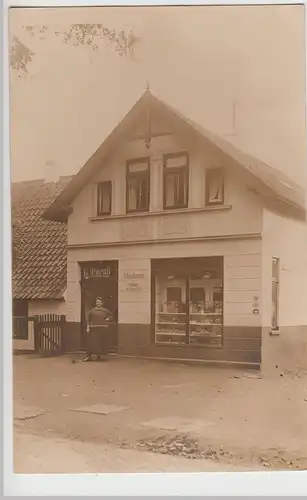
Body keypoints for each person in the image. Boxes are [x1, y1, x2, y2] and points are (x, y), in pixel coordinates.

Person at [84, 297, 112, 362]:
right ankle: (88, 356)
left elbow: (111, 316)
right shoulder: (92, 310)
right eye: (97, 302)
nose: (98, 303)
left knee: (101, 343)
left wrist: (108, 318)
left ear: (102, 303)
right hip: (94, 328)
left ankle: (98, 356)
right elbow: (88, 319)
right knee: (92, 342)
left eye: (99, 302)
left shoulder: (105, 310)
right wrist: (88, 327)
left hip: (103, 328)